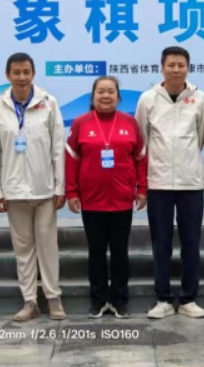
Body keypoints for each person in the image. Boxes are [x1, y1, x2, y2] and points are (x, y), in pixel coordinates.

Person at [0, 53, 67, 322]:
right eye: (16, 72)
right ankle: (30, 301)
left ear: (33, 74)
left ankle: (54, 298)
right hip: (14, 191)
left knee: (48, 246)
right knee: (23, 250)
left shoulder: (48, 102)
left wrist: (60, 186)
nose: (22, 77)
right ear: (7, 75)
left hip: (45, 189)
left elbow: (58, 147)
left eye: (26, 72)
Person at [135, 46, 204, 319]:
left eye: (181, 65)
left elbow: (202, 136)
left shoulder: (199, 98)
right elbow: (141, 140)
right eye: (171, 65)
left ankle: (189, 298)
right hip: (159, 183)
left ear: (188, 68)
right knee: (161, 243)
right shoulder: (148, 99)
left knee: (191, 242)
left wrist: (186, 159)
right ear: (162, 67)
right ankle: (163, 298)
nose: (176, 70)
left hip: (191, 183)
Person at [65, 76, 148, 319]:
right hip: (92, 201)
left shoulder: (130, 123)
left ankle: (120, 300)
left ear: (118, 97)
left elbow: (141, 158)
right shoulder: (81, 123)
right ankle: (98, 300)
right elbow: (71, 160)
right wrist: (71, 191)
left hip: (122, 200)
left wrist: (142, 188)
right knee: (96, 253)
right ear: (93, 97)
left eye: (111, 91)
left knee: (120, 253)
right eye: (100, 91)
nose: (105, 96)